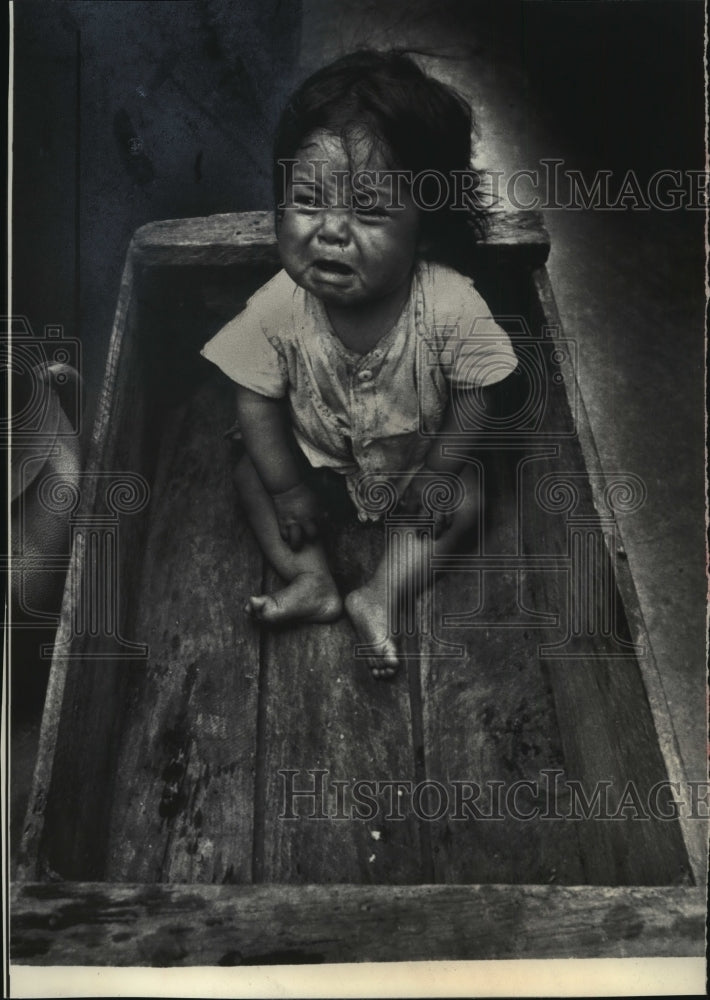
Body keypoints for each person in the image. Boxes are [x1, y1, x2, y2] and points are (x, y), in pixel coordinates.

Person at [201, 49, 518, 679]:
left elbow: (482, 388)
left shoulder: (449, 303)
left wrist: (438, 471)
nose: (331, 231)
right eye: (308, 201)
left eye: (369, 211)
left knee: (469, 496)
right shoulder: (278, 305)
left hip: (411, 465)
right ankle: (312, 577)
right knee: (248, 476)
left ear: (425, 230)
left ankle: (381, 592)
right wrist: (289, 489)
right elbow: (255, 397)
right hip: (313, 461)